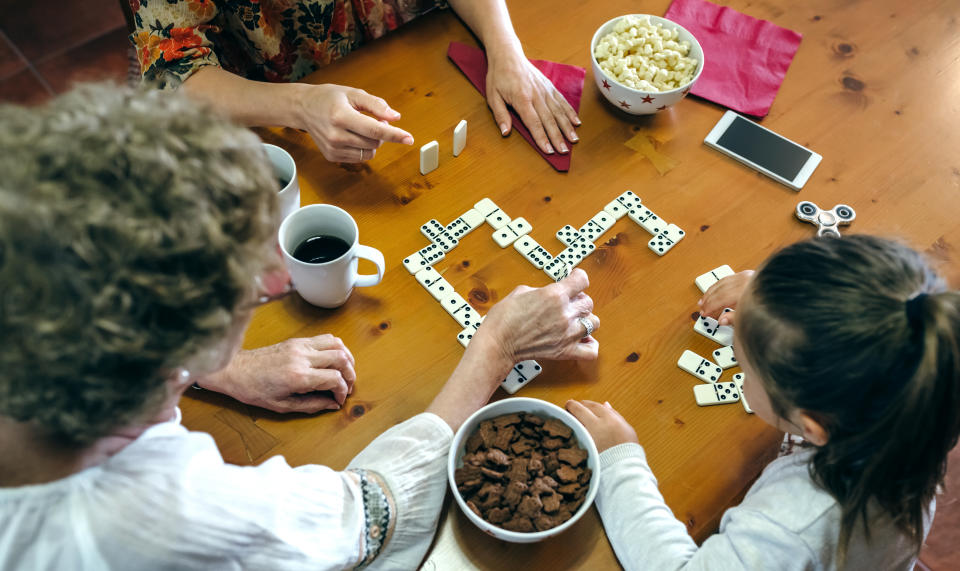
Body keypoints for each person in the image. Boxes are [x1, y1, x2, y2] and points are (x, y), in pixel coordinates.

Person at [0, 83, 600, 569]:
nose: (276, 281)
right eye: (244, 285)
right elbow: (370, 517)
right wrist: (496, 345)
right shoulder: (175, 511)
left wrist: (216, 367)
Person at [567, 235, 959, 569]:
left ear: (812, 427)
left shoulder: (792, 525)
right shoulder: (920, 392)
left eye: (744, 365)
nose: (741, 368)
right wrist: (773, 315)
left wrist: (620, 463)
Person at [129, 0, 581, 163]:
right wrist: (301, 106)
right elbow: (175, 74)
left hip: (411, 56)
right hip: (270, 119)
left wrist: (505, 50)